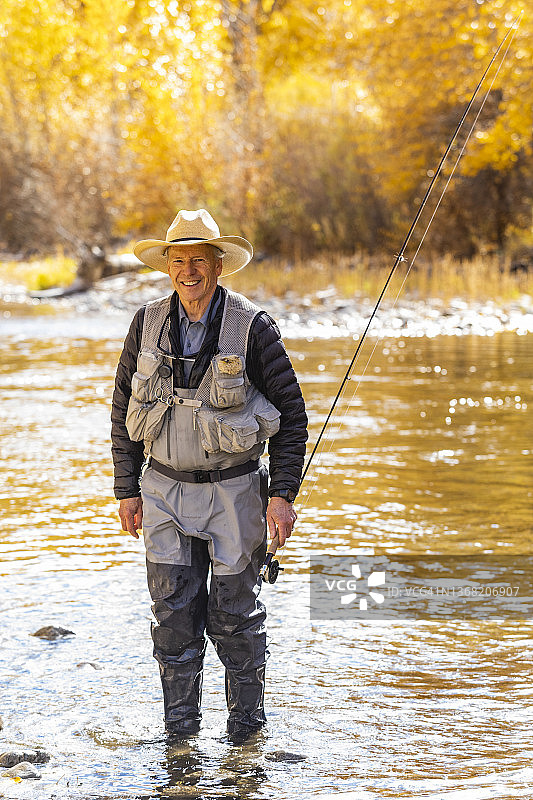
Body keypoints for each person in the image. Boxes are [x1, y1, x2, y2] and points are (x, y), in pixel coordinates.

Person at [111, 208, 308, 742]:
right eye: (179, 260)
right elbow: (122, 408)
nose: (188, 270)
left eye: (199, 259)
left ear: (219, 265)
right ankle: (180, 740)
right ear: (167, 266)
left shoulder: (254, 327)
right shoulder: (145, 323)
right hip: (163, 493)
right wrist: (126, 488)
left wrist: (282, 495)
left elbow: (292, 416)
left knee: (235, 618)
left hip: (236, 493)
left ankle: (246, 740)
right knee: (172, 618)